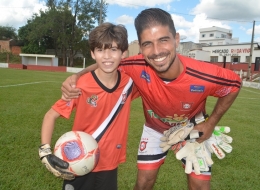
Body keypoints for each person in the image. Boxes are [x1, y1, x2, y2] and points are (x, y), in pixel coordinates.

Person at [61, 8, 241, 190]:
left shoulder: (204, 74)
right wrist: (76, 77)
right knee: (144, 182)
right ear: (140, 47)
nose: (157, 51)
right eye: (148, 44)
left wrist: (210, 124)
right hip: (155, 128)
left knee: (200, 186)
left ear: (176, 39)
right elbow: (106, 62)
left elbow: (234, 85)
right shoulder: (135, 65)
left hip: (191, 127)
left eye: (163, 40)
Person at [38, 22, 139, 190]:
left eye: (113, 49)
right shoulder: (80, 85)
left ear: (124, 53)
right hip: (78, 162)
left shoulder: (129, 83)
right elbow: (51, 115)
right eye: (100, 50)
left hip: (109, 164)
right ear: (93, 53)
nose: (107, 56)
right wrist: (45, 152)